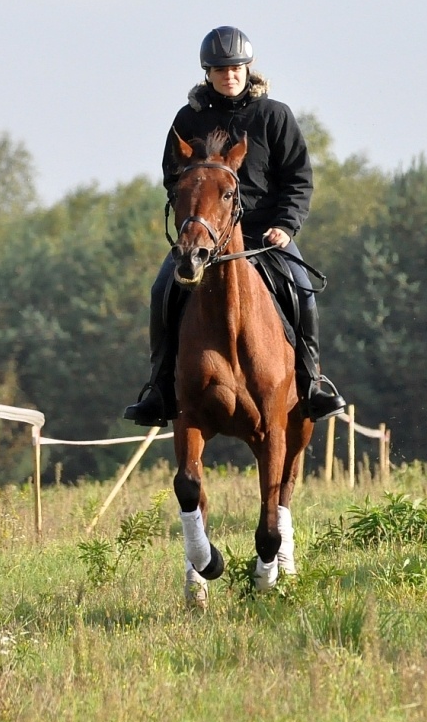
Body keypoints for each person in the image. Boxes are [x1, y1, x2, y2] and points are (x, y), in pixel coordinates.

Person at [124, 26, 346, 427]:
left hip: (265, 237)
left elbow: (299, 178)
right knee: (162, 290)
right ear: (207, 72)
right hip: (206, 238)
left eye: (236, 67)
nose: (230, 75)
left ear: (248, 68)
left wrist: (286, 225)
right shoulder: (188, 118)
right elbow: (173, 175)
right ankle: (159, 389)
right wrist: (195, 218)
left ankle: (312, 383)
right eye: (221, 69)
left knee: (303, 292)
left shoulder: (274, 115)